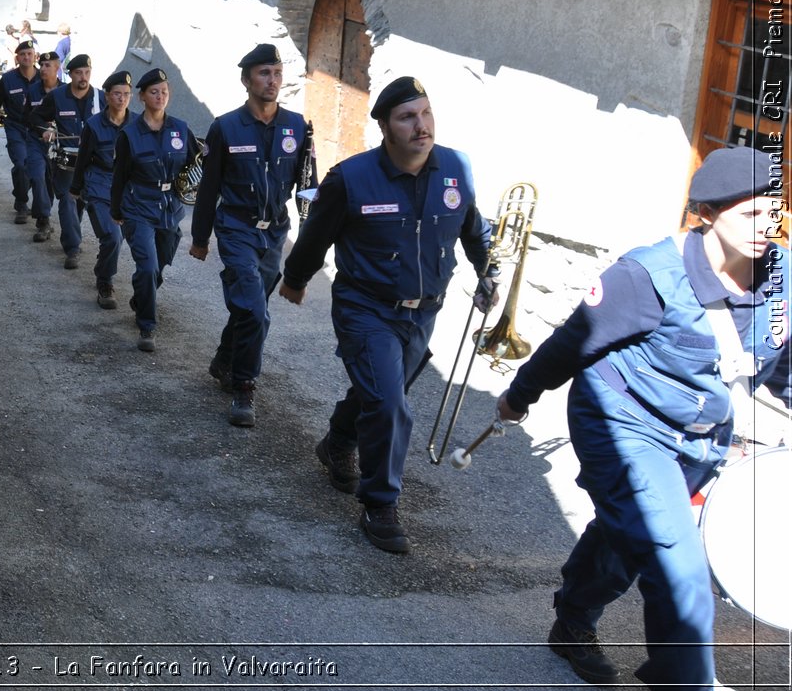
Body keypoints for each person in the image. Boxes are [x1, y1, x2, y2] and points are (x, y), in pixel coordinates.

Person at [495, 145, 789, 691]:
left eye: (774, 209)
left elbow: (784, 359)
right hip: (624, 423)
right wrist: (520, 395)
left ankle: (573, 622)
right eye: (750, 213)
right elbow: (572, 342)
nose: (767, 224)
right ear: (706, 215)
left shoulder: (783, 277)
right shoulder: (647, 274)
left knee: (630, 532)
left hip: (699, 435)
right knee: (681, 569)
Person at [277, 75, 494, 554]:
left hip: (425, 312)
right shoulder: (352, 179)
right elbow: (316, 236)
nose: (422, 126)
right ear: (385, 128)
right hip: (366, 307)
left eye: (426, 113)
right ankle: (380, 503)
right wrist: (295, 278)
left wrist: (487, 271)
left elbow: (473, 229)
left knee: (380, 393)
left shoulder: (455, 168)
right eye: (407, 117)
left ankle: (337, 440)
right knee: (391, 404)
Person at [189, 43, 315, 428]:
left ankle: (224, 359)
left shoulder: (297, 126)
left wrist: (308, 249)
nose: (272, 80)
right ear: (246, 80)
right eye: (264, 73)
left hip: (275, 232)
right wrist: (200, 237)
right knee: (256, 311)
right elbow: (208, 188)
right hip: (236, 228)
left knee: (249, 307)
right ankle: (244, 387)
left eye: (277, 73)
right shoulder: (225, 127)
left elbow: (308, 187)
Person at [110, 68, 194, 352]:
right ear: (142, 97)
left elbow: (197, 163)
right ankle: (147, 325)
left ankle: (141, 297)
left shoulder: (181, 129)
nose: (160, 97)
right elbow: (120, 174)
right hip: (138, 206)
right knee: (147, 267)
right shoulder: (130, 135)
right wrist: (116, 208)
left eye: (165, 92)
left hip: (170, 209)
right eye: (154, 92)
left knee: (160, 263)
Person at [73, 71, 132, 309]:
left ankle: (142, 286)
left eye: (126, 94)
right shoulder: (94, 125)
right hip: (100, 186)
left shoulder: (139, 123)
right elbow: (83, 158)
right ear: (107, 96)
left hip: (129, 189)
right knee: (112, 235)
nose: (122, 99)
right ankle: (105, 281)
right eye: (117, 94)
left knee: (122, 239)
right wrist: (76, 187)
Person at [37, 54, 101, 268]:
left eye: (87, 72)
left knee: (81, 201)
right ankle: (72, 248)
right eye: (78, 73)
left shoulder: (102, 98)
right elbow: (35, 117)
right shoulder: (57, 97)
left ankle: (73, 231)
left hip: (94, 161)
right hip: (66, 160)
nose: (83, 77)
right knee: (68, 199)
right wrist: (47, 129)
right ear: (70, 74)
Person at [0, 40, 53, 236]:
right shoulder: (8, 79)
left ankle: (40, 211)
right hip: (16, 127)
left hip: (40, 131)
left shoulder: (45, 77)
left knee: (43, 173)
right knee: (23, 164)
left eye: (30, 54)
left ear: (35, 56)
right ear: (17, 58)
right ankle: (22, 202)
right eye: (23, 54)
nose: (27, 57)